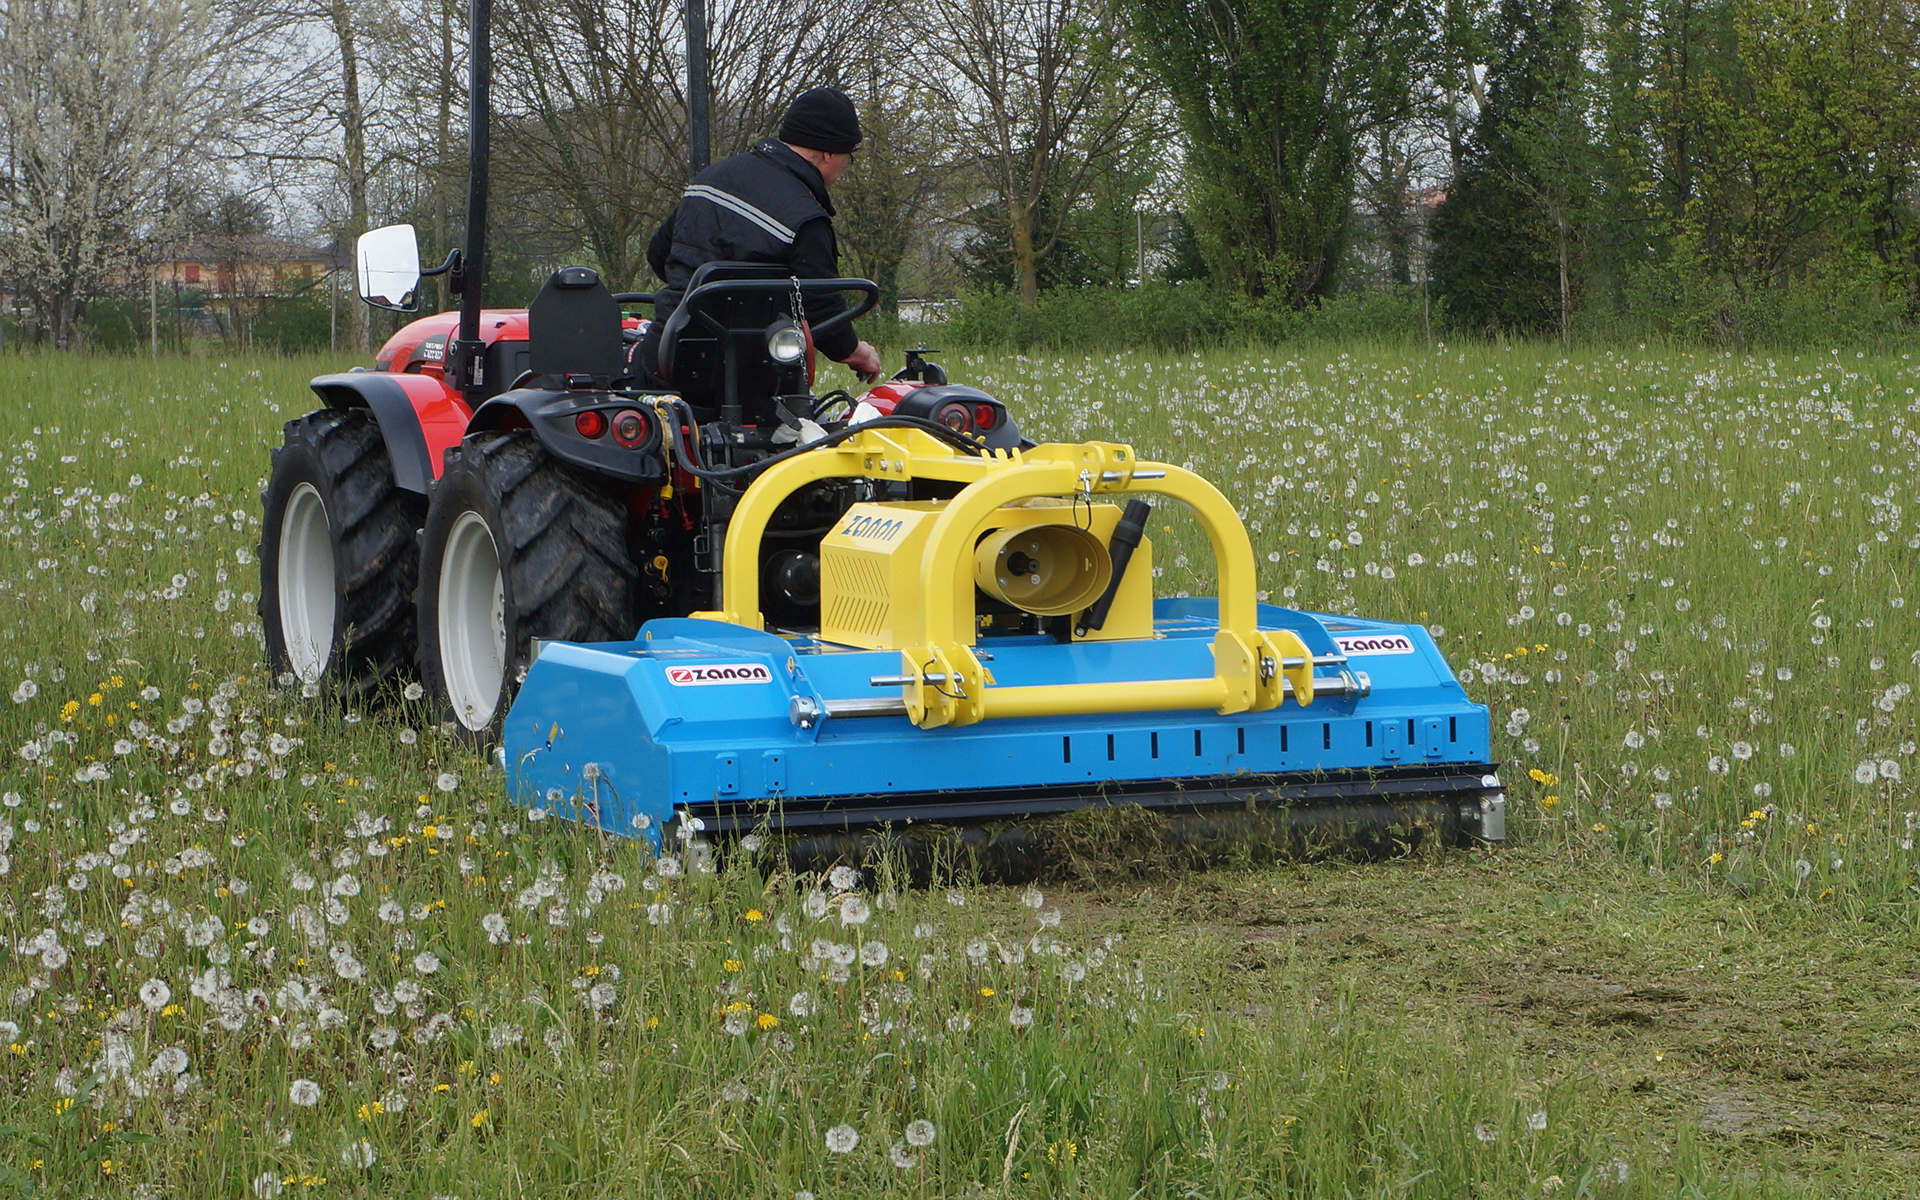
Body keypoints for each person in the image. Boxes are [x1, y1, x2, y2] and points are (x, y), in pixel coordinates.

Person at [640, 86, 882, 387]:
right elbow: (822, 308)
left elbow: (658, 254)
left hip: (666, 358)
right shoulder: (805, 217)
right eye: (851, 154)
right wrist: (855, 352)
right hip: (751, 377)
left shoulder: (710, 181)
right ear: (828, 152)